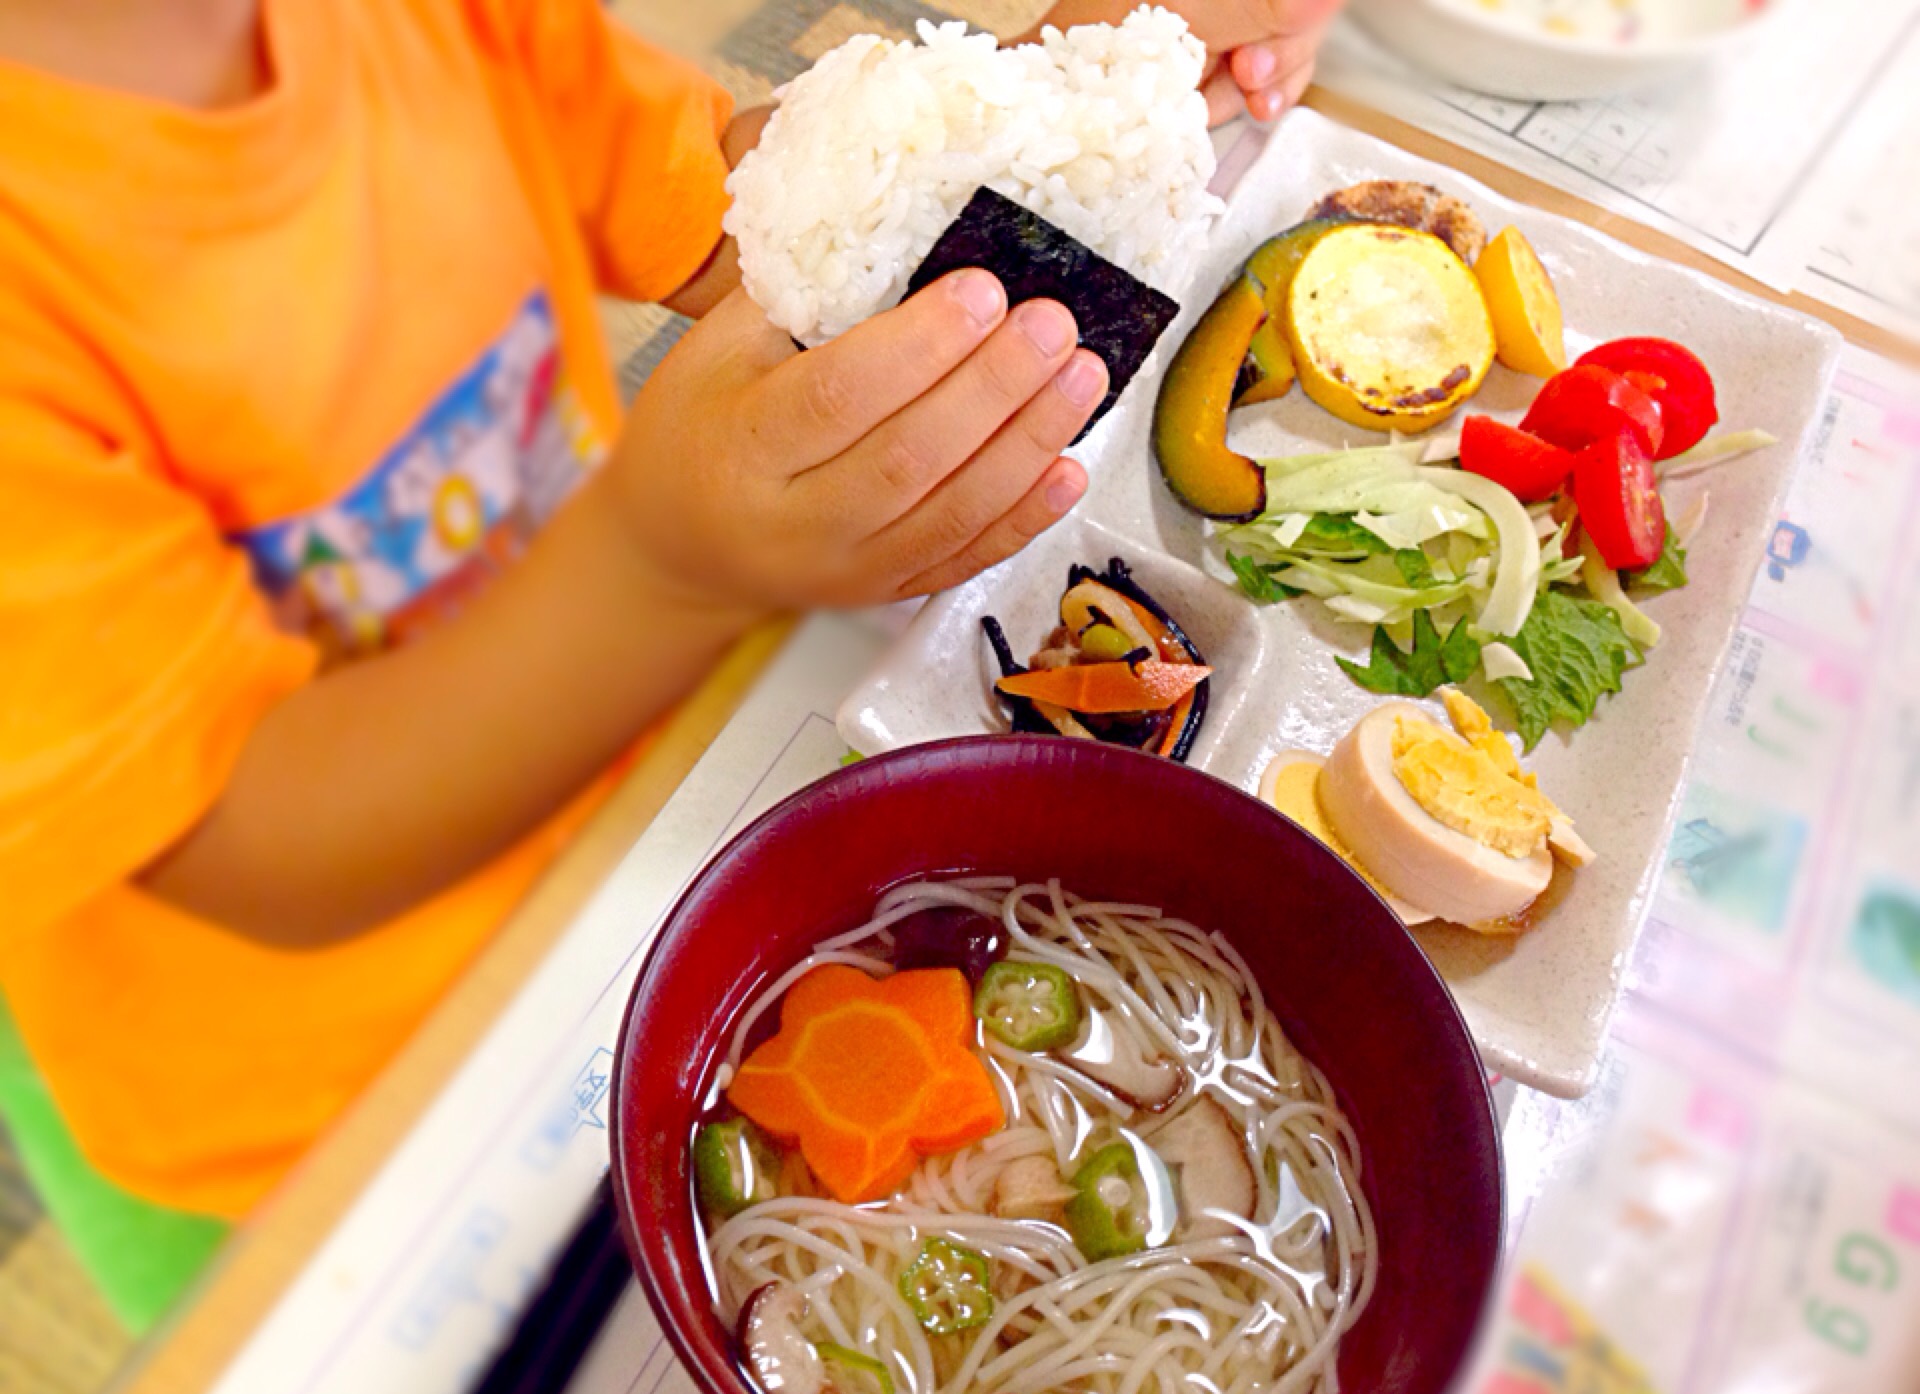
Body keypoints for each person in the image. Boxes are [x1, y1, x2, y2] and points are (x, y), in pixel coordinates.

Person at [0, 0, 1344, 1322]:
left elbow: (737, 214)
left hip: (658, 798)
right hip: (326, 1091)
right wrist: (668, 564)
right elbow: (247, 842)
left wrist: (1069, 92)